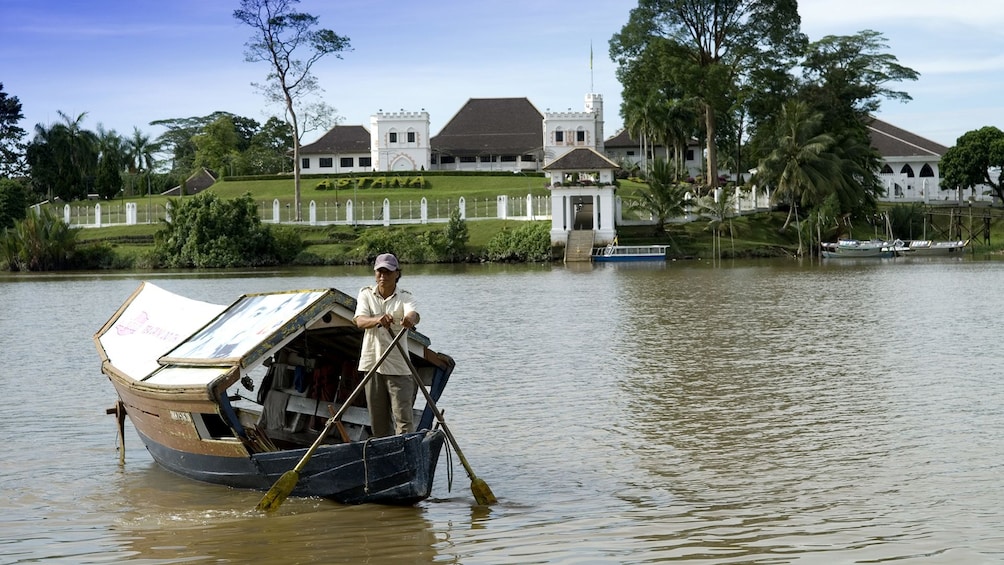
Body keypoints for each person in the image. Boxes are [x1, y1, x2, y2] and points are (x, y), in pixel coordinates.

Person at [353, 253, 421, 437]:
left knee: (403, 419)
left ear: (397, 274)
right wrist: (377, 320)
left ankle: (405, 454)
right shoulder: (366, 293)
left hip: (398, 366)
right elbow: (359, 321)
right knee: (378, 421)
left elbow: (414, 314)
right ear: (375, 273)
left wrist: (409, 320)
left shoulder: (405, 296)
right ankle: (386, 457)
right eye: (379, 272)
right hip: (372, 364)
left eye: (388, 272)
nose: (383, 276)